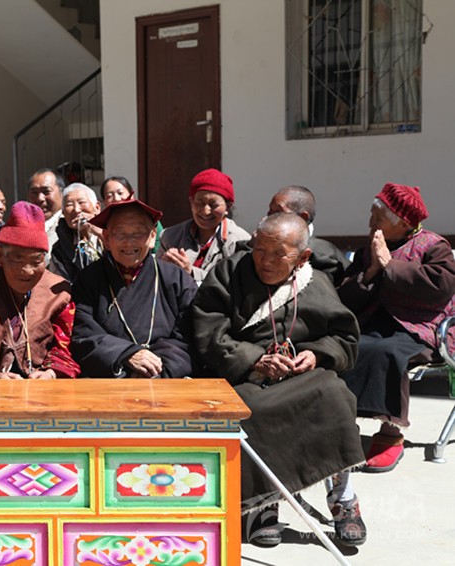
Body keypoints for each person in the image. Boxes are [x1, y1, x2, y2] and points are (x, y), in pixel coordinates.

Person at [192, 213, 366, 547]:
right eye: (260, 250)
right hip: (246, 376)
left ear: (302, 257)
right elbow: (207, 331)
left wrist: (316, 355)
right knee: (248, 408)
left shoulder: (315, 281)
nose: (266, 261)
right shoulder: (229, 273)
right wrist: (254, 359)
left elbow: (344, 337)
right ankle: (262, 503)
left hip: (301, 375)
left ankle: (344, 497)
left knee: (335, 394)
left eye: (278, 254)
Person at [338, 183, 455, 473]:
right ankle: (342, 426)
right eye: (371, 215)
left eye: (378, 218)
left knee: (386, 352)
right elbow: (345, 294)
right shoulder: (370, 250)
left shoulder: (434, 246)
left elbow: (441, 287)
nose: (370, 223)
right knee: (344, 347)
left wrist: (390, 265)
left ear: (403, 223)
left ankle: (390, 434)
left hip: (419, 327)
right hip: (375, 322)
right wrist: (371, 272)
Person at [0, 202, 80, 379]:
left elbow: (66, 347)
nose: (27, 271)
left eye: (36, 261)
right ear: (0, 255)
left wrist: (50, 374)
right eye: (18, 260)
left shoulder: (59, 293)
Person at [71, 198, 196, 378]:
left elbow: (188, 336)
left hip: (164, 375)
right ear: (106, 238)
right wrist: (125, 354)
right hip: (109, 376)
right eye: (120, 233)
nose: (129, 242)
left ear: (152, 237)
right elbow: (82, 334)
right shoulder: (88, 279)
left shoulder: (176, 279)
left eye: (138, 233)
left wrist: (156, 369)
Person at [159, 168, 250, 285]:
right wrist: (163, 267)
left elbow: (236, 284)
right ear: (191, 202)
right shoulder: (170, 237)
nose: (206, 211)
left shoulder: (240, 242)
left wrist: (191, 272)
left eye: (213, 204)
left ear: (228, 206)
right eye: (200, 202)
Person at [267, 185, 350, 285]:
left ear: (303, 217)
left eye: (278, 212)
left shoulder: (322, 255)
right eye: (270, 211)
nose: (270, 217)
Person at [49, 183, 103, 282]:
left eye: (81, 202)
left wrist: (101, 235)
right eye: (69, 205)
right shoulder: (60, 250)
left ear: (97, 207)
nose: (76, 210)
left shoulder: (111, 234)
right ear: (64, 213)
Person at [100, 175, 162, 253]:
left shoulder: (148, 218)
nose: (116, 198)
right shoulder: (102, 223)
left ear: (131, 195)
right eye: (109, 196)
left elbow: (159, 249)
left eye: (120, 193)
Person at [27, 168, 64, 254]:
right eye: (34, 192)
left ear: (62, 193)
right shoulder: (21, 226)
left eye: (46, 192)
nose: (40, 198)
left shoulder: (69, 226)